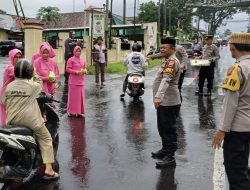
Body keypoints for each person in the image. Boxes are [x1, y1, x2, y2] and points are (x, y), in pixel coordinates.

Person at [3, 59, 59, 180]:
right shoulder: (32, 86)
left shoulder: (9, 86)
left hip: (11, 121)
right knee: (45, 137)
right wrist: (35, 73)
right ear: (29, 72)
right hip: (29, 121)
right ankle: (49, 170)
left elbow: (4, 101)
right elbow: (40, 82)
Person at [212, 32, 250, 190]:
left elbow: (230, 104)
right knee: (244, 168)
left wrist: (222, 130)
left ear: (232, 47)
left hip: (237, 129)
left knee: (236, 172)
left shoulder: (237, 69)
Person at [151, 38, 181, 168]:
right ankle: (165, 150)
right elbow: (157, 55)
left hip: (169, 101)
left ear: (173, 49)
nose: (162, 50)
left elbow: (166, 80)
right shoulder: (167, 60)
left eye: (165, 48)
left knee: (169, 129)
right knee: (162, 128)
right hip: (164, 101)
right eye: (161, 47)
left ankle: (170, 157)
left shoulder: (172, 62)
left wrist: (158, 97)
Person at [0, 49, 22, 126]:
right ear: (11, 57)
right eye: (16, 57)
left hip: (13, 94)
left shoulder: (18, 67)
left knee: (12, 118)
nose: (18, 59)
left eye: (20, 57)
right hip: (6, 95)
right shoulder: (10, 68)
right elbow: (21, 74)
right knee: (6, 118)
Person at [66, 46, 87, 117]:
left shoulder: (83, 60)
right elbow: (68, 69)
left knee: (80, 97)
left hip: (81, 81)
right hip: (73, 81)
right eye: (77, 51)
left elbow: (85, 68)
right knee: (73, 97)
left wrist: (85, 71)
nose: (78, 52)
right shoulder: (70, 60)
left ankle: (79, 112)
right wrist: (76, 72)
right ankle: (71, 112)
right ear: (74, 51)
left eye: (79, 51)